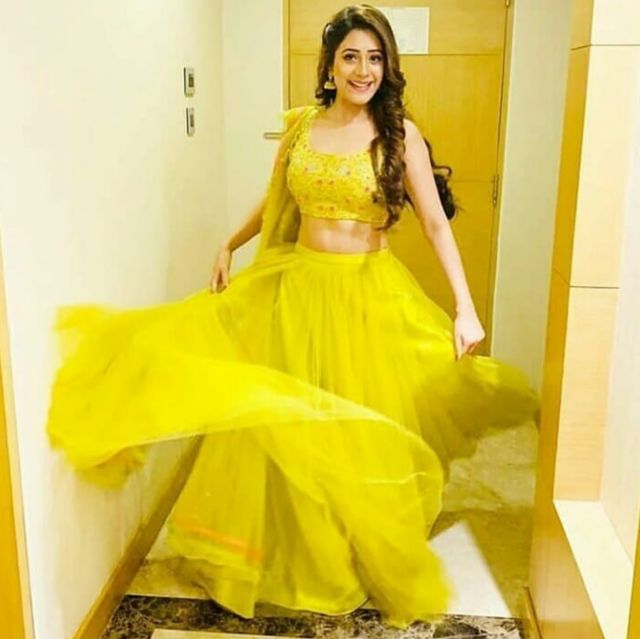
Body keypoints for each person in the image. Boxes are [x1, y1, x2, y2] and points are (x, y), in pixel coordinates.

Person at [47, 4, 538, 629]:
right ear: (329, 66)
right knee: (292, 428)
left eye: (375, 58)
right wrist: (230, 242)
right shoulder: (302, 127)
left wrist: (465, 307)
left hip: (368, 299)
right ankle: (296, 554)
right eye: (351, 57)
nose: (363, 70)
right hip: (297, 291)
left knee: (356, 433)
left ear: (388, 66)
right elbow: (275, 199)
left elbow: (436, 225)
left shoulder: (399, 135)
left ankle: (350, 554)